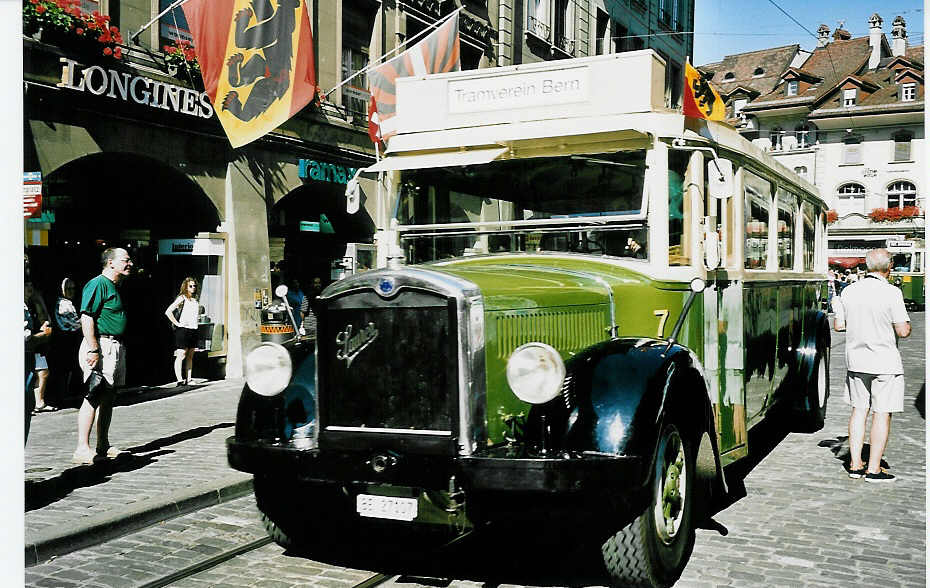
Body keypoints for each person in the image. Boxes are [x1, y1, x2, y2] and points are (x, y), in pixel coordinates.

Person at [832, 248, 910, 482]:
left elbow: (839, 326)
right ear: (889, 267)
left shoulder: (849, 291)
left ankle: (855, 464)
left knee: (858, 411)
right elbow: (903, 330)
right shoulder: (892, 292)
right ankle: (874, 468)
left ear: (866, 266)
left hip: (856, 360)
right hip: (884, 361)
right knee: (882, 413)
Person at [73, 247, 132, 464]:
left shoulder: (116, 285)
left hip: (114, 345)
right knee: (94, 394)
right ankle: (82, 448)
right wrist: (93, 348)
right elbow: (87, 317)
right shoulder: (98, 284)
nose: (130, 263)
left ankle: (103, 445)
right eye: (125, 260)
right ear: (110, 263)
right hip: (101, 345)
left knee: (108, 397)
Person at [25, 279, 52, 444]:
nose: (30, 288)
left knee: (43, 373)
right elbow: (24, 340)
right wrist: (43, 336)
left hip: (34, 350)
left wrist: (38, 299)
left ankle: (37, 402)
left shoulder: (31, 305)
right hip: (29, 349)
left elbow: (45, 319)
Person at [50, 277, 83, 406]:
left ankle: (65, 395)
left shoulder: (67, 302)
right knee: (65, 369)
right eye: (68, 289)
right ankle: (62, 397)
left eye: (73, 289)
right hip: (66, 340)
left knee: (67, 370)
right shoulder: (64, 304)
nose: (71, 291)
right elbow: (76, 324)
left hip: (69, 339)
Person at [165, 277, 202, 386]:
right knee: (181, 354)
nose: (193, 288)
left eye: (194, 286)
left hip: (193, 329)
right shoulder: (182, 298)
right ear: (185, 287)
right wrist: (177, 324)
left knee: (190, 355)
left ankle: (189, 378)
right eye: (190, 286)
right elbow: (168, 311)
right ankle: (179, 379)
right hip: (183, 330)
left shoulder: (195, 300)